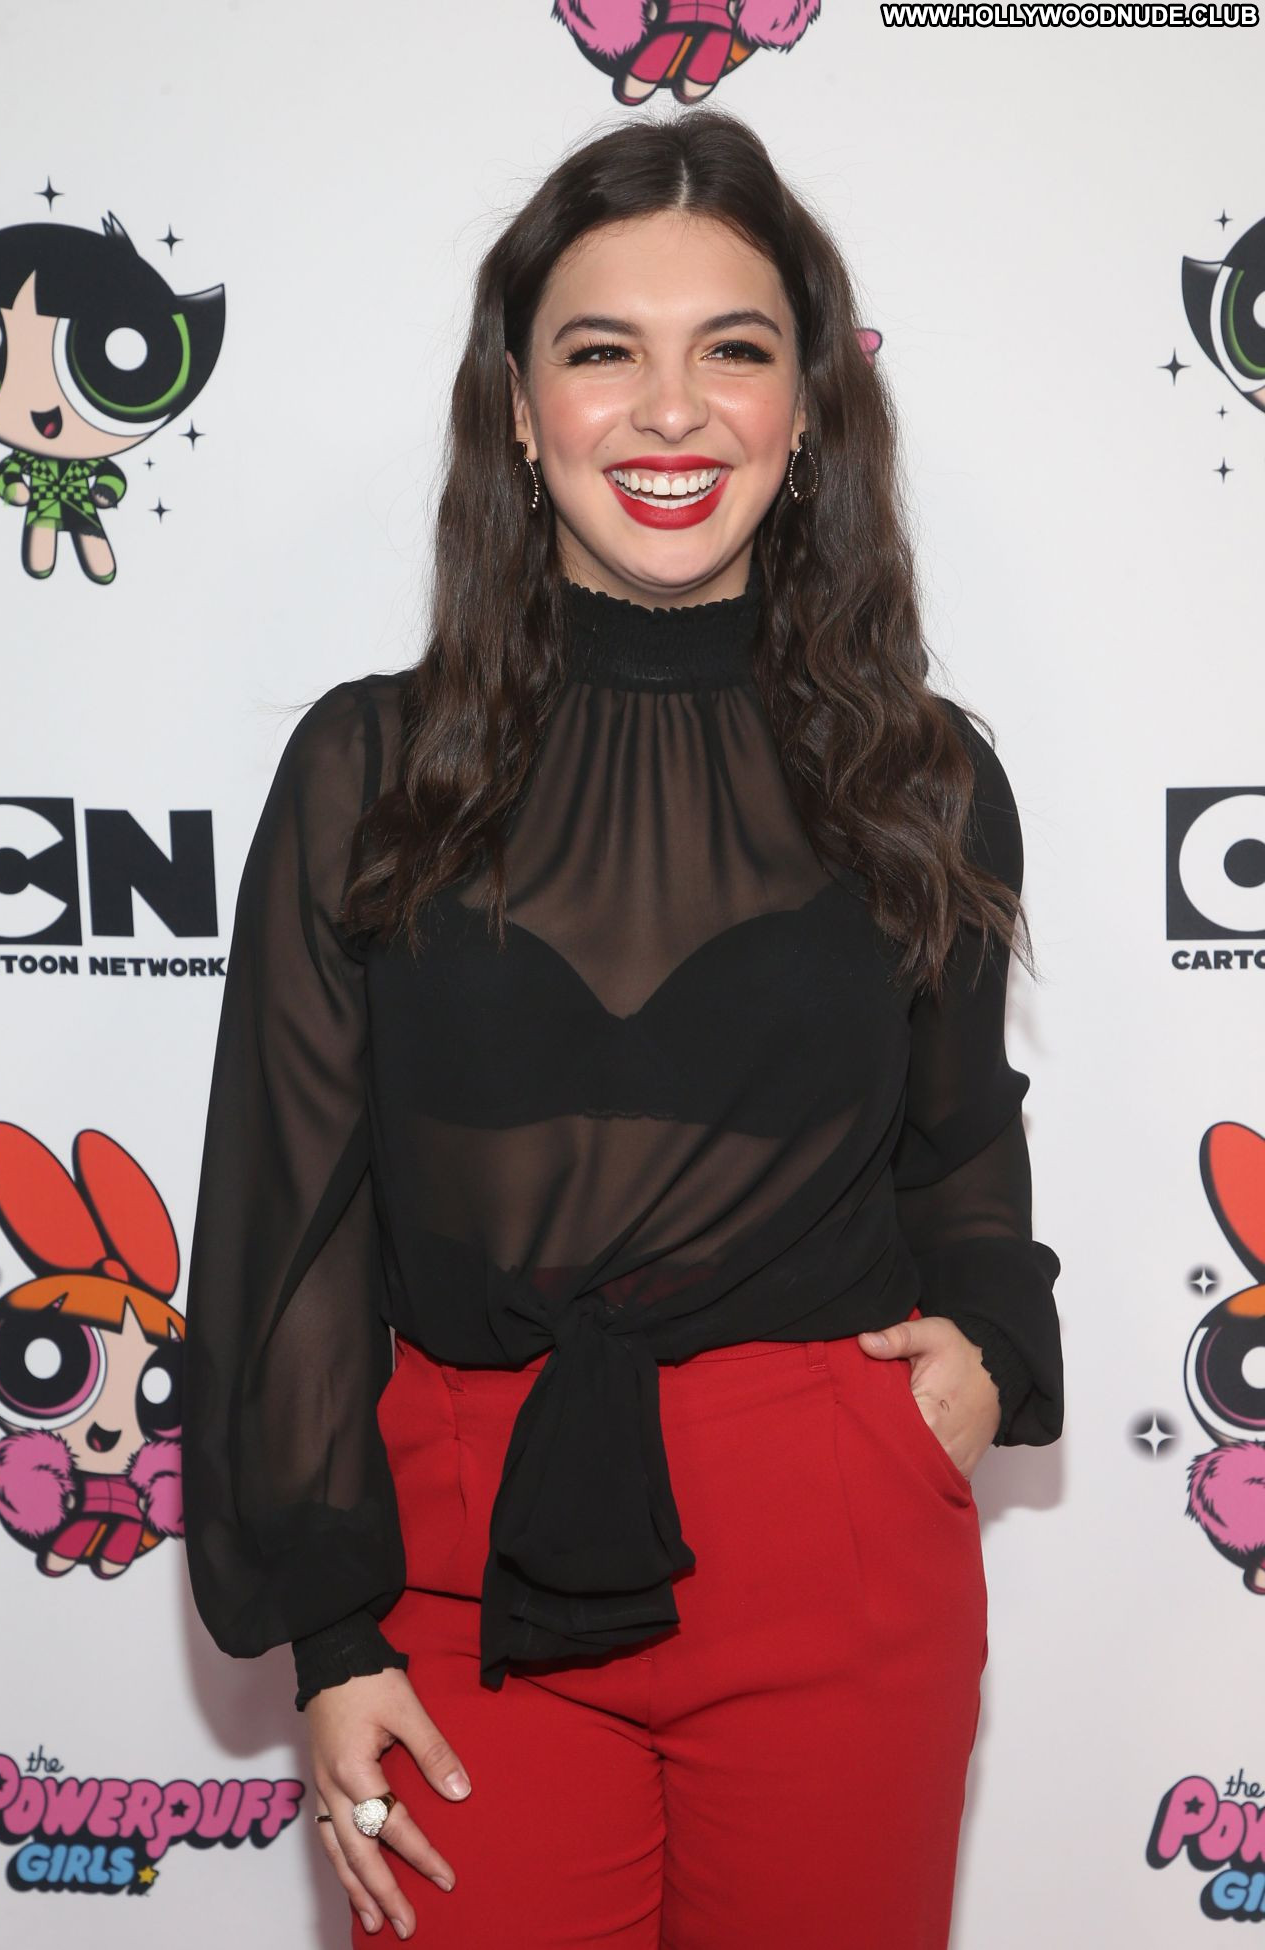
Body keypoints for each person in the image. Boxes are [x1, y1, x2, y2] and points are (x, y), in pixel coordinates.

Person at [181, 107, 1064, 1949]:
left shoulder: (921, 774)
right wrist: (330, 1631)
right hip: (453, 1575)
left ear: (807, 407)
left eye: (732, 350)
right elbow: (292, 1214)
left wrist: (985, 1347)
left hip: (839, 1538)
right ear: (520, 407)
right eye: (604, 353)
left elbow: (962, 1135)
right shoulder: (368, 767)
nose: (672, 413)